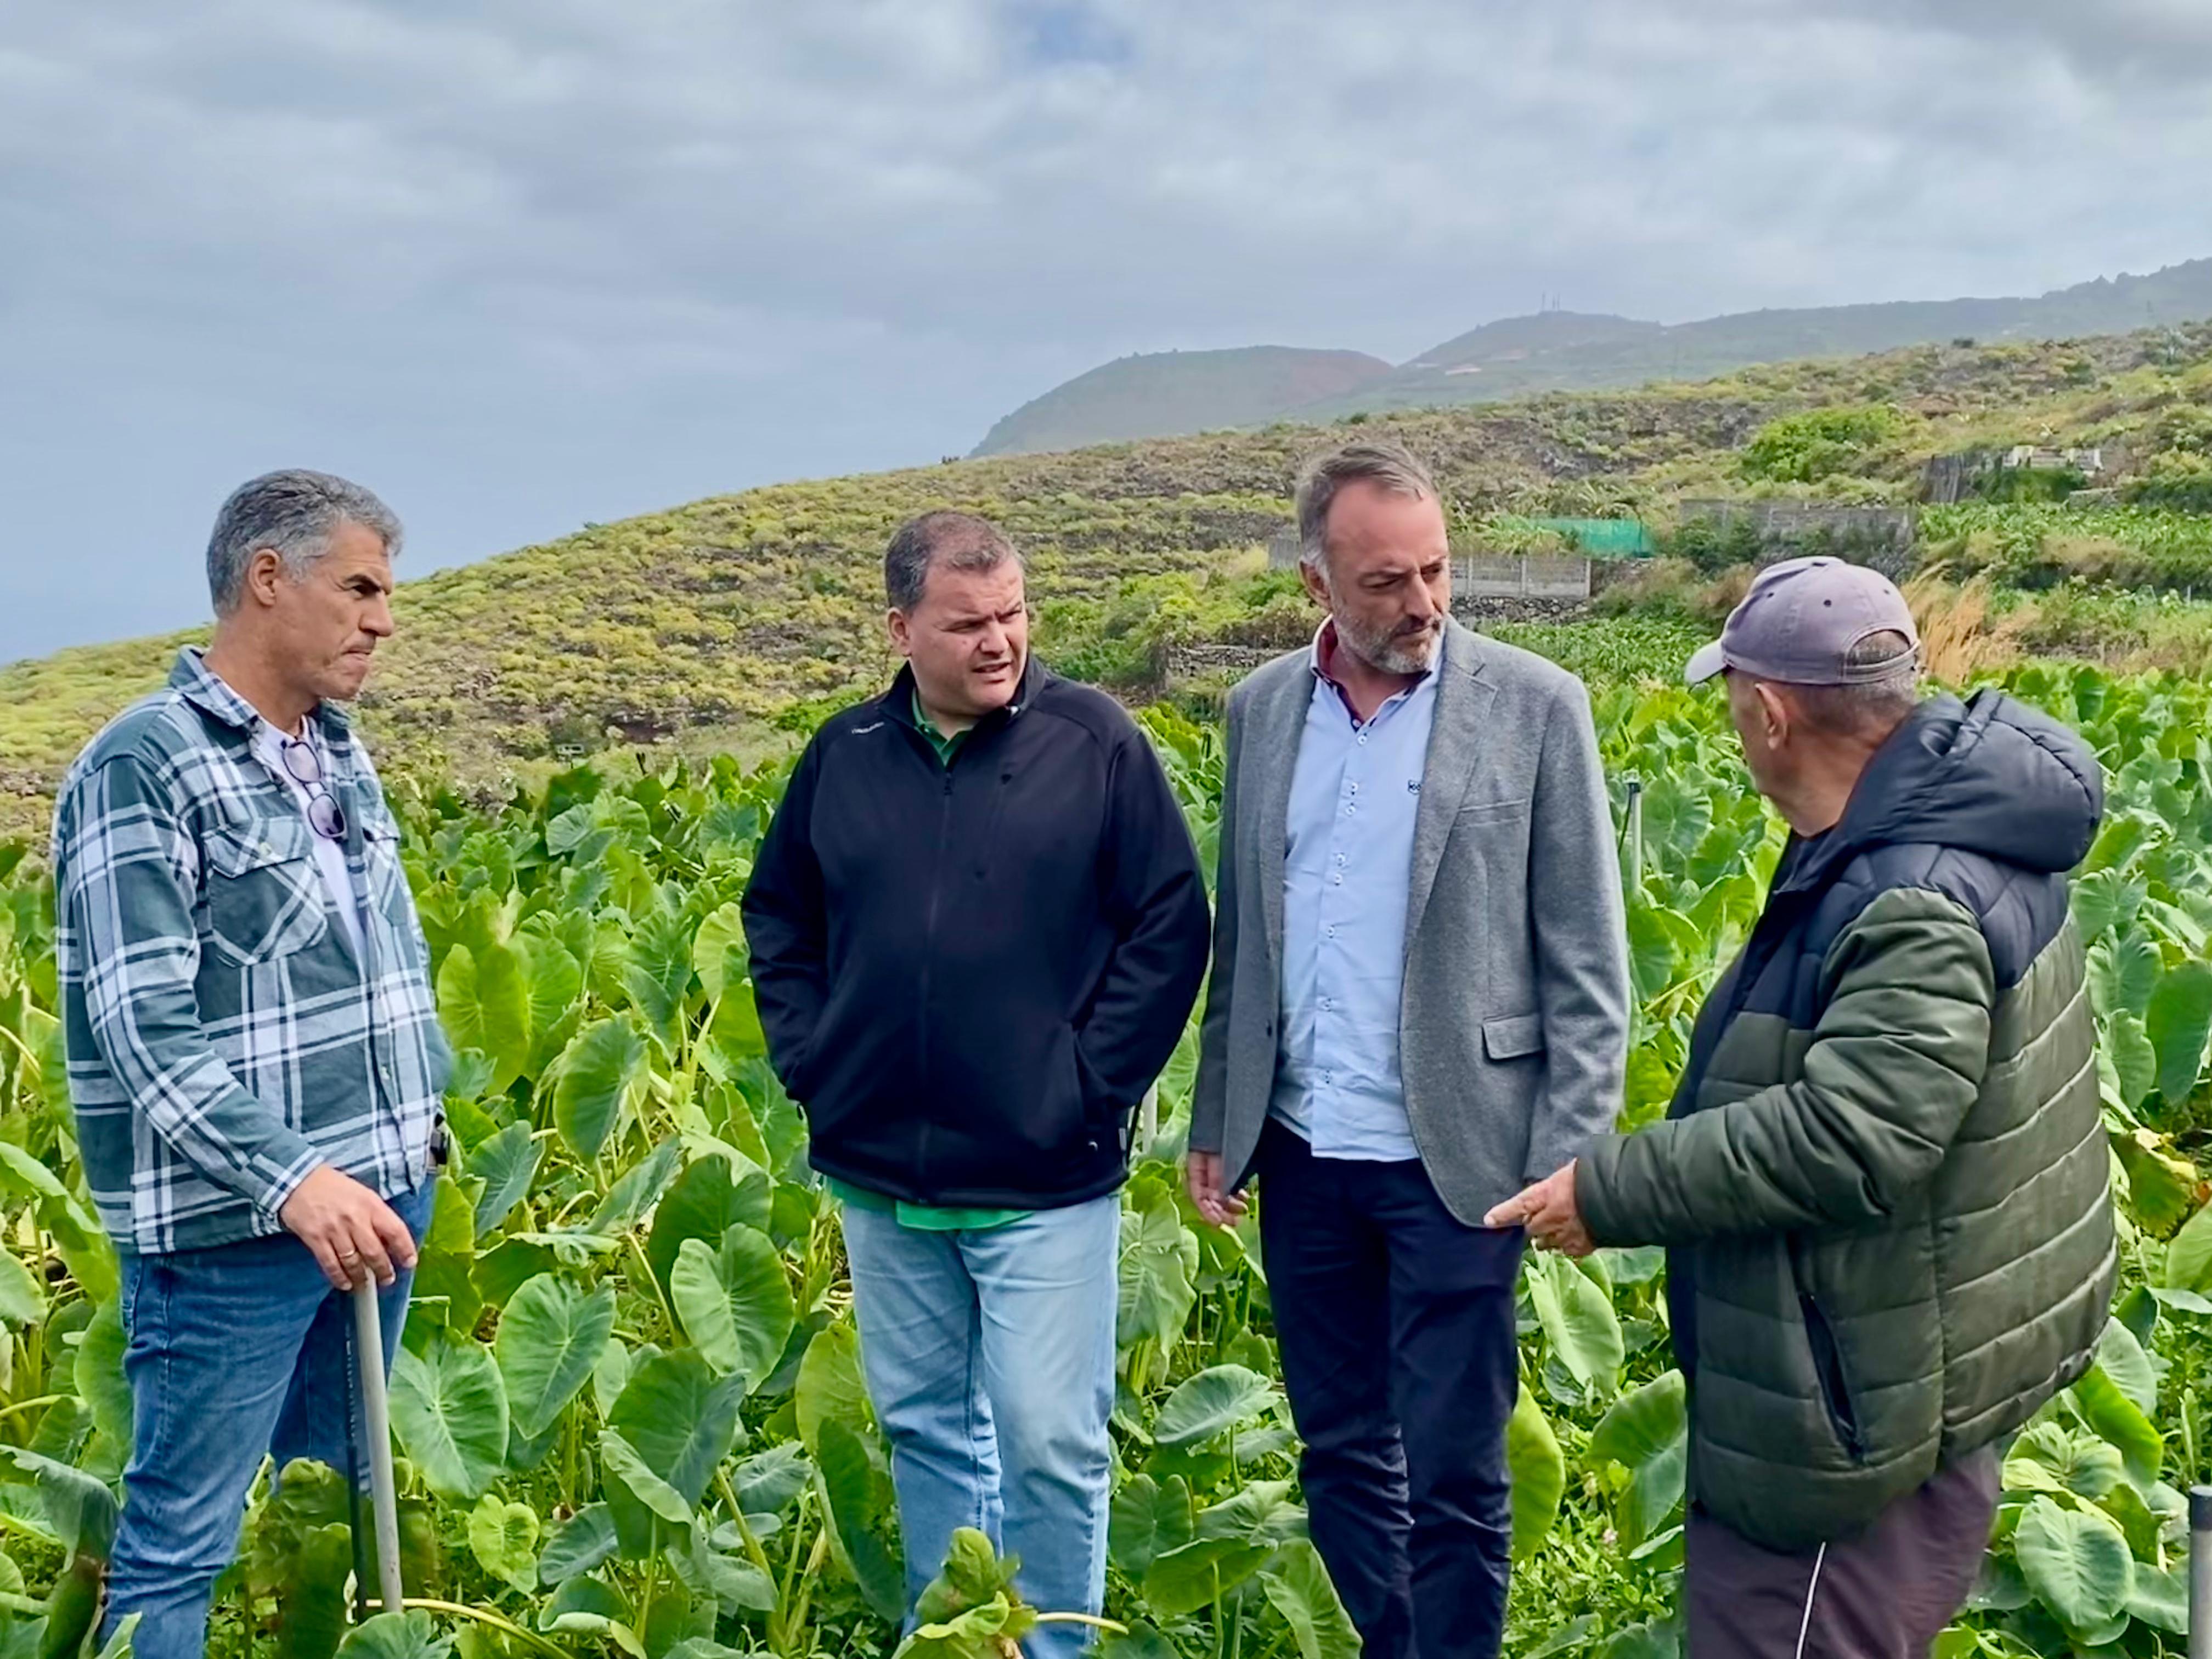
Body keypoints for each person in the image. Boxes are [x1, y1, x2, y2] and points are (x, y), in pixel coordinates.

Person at [1487, 556, 2115, 1658]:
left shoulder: (1914, 894)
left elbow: (1853, 1136)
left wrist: (1609, 1189)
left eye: (1736, 698)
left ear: (1772, 714)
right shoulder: (1915, 832)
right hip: (1901, 1357)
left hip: (1852, 1405)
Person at [1186, 441, 1629, 1659]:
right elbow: (1247, 934)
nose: (1423, 602)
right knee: (1339, 1451)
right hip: (1304, 1149)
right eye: (1386, 581)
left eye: (1436, 570)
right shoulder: (1261, 709)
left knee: (1455, 1475)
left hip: (1462, 1158)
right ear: (1316, 583)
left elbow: (1589, 963)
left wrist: (1573, 1156)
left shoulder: (1536, 705)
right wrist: (1220, 1113)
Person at [741, 510, 1210, 1655]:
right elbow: (780, 917)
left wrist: (1085, 1088)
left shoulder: (1096, 743)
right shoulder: (844, 754)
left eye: (1013, 615)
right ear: (900, 628)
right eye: (967, 624)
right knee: (925, 1429)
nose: (999, 641)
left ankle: (1052, 1646)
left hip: (1042, 1174)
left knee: (1051, 1441)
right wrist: (815, 1064)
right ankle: (953, 1640)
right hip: (881, 1171)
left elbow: (1169, 926)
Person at [52, 470, 452, 1657]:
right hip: (239, 1229)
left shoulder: (337, 751)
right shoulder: (146, 763)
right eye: (361, 589)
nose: (384, 620)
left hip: (381, 1202)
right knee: (182, 1542)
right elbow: (142, 1028)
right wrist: (295, 1181)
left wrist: (412, 1139)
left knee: (330, 1519)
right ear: (268, 579)